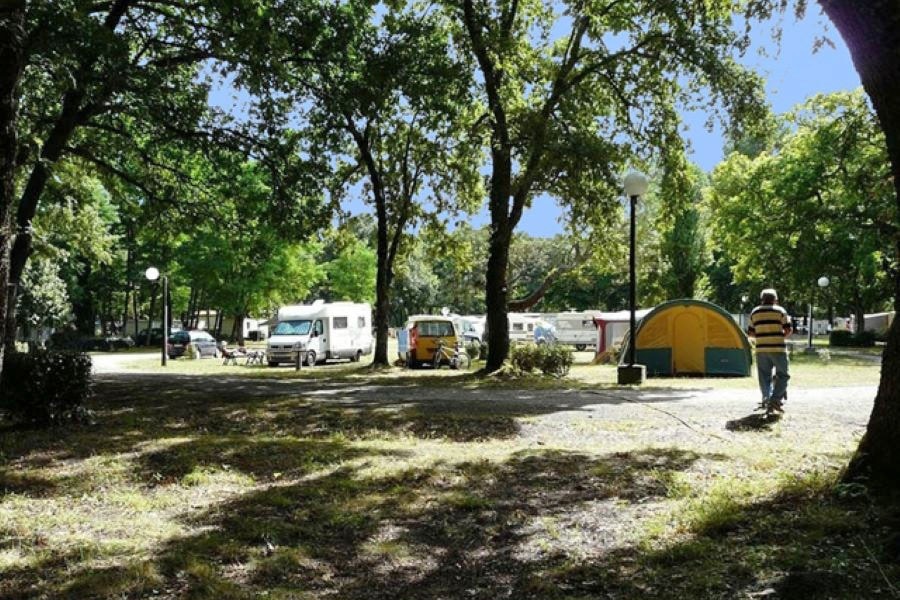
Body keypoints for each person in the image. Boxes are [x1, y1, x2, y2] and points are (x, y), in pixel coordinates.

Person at [747, 288, 793, 411]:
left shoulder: (754, 312)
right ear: (775, 299)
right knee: (783, 375)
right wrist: (779, 337)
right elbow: (788, 330)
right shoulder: (781, 311)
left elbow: (751, 333)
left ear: (762, 299)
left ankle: (766, 399)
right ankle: (775, 400)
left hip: (761, 349)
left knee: (764, 376)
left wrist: (762, 337)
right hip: (778, 348)